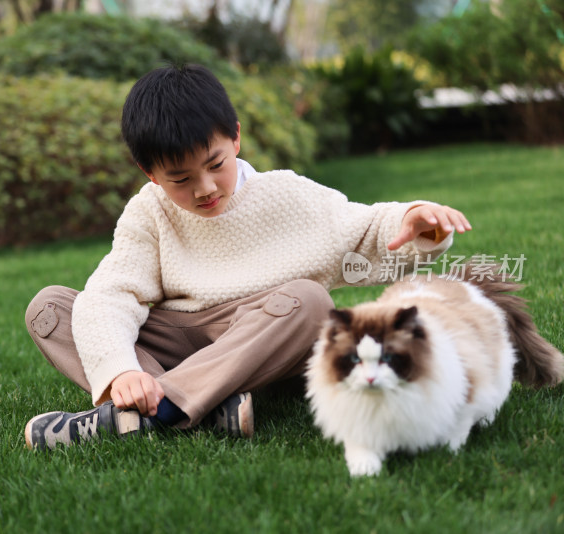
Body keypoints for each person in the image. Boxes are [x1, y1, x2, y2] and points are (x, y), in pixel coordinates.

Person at [24, 64, 471, 450]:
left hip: (265, 336)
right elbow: (111, 293)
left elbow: (366, 226)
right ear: (150, 173)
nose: (205, 189)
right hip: (182, 338)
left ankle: (156, 410)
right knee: (50, 309)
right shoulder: (148, 211)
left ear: (235, 138)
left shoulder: (285, 193)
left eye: (215, 165)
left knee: (311, 301)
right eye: (180, 178)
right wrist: (120, 371)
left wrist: (416, 221)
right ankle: (204, 407)